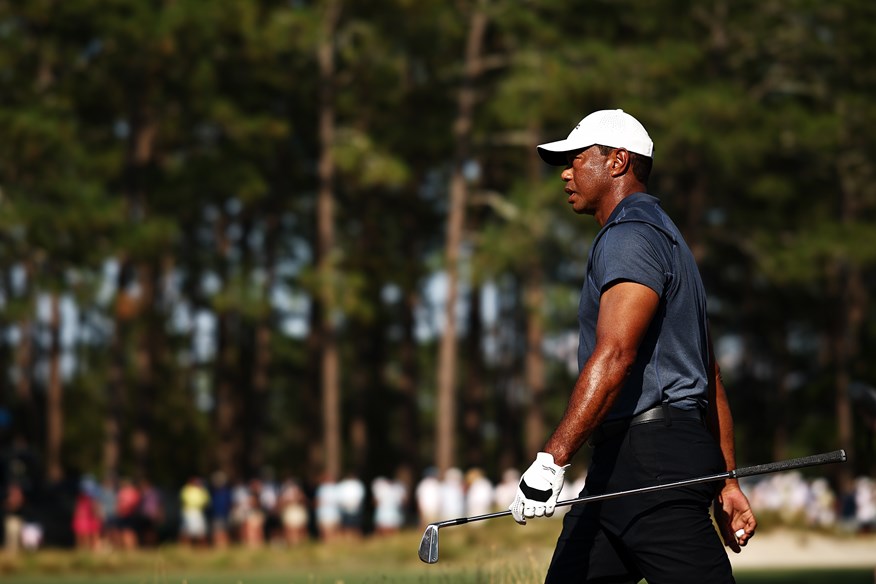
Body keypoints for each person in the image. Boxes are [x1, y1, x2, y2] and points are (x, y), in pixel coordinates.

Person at [508, 109, 757, 583]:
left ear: (618, 161)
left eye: (577, 159)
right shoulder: (667, 237)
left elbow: (615, 354)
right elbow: (712, 374)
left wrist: (551, 460)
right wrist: (725, 478)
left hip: (653, 465)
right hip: (626, 464)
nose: (566, 172)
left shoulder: (631, 235)